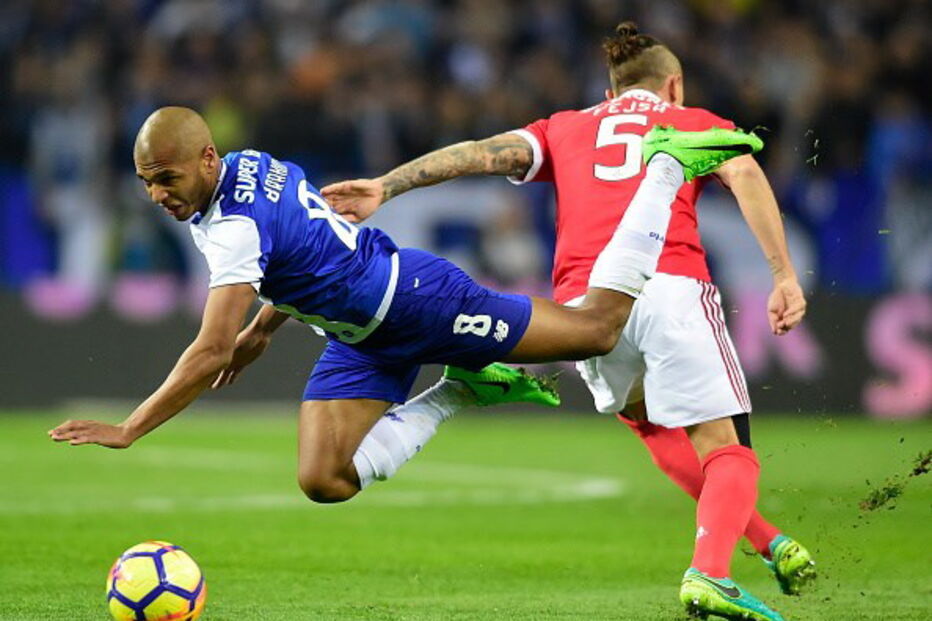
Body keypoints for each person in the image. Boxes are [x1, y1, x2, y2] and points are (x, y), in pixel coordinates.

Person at [322, 21, 812, 621]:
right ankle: (710, 573)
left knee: (647, 421)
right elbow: (745, 174)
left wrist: (386, 186)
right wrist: (782, 274)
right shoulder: (690, 121)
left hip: (585, 308)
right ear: (674, 86)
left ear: (610, 94)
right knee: (727, 450)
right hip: (670, 283)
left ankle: (770, 541)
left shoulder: (565, 126)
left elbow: (478, 153)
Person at [48, 107, 750, 509]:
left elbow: (207, 351)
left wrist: (130, 427)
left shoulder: (232, 228)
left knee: (598, 329)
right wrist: (267, 323)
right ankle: (459, 390)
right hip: (361, 334)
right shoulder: (248, 164)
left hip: (422, 303)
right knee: (323, 479)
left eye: (165, 179)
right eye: (145, 183)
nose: (157, 196)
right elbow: (302, 244)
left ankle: (664, 165)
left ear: (205, 158)